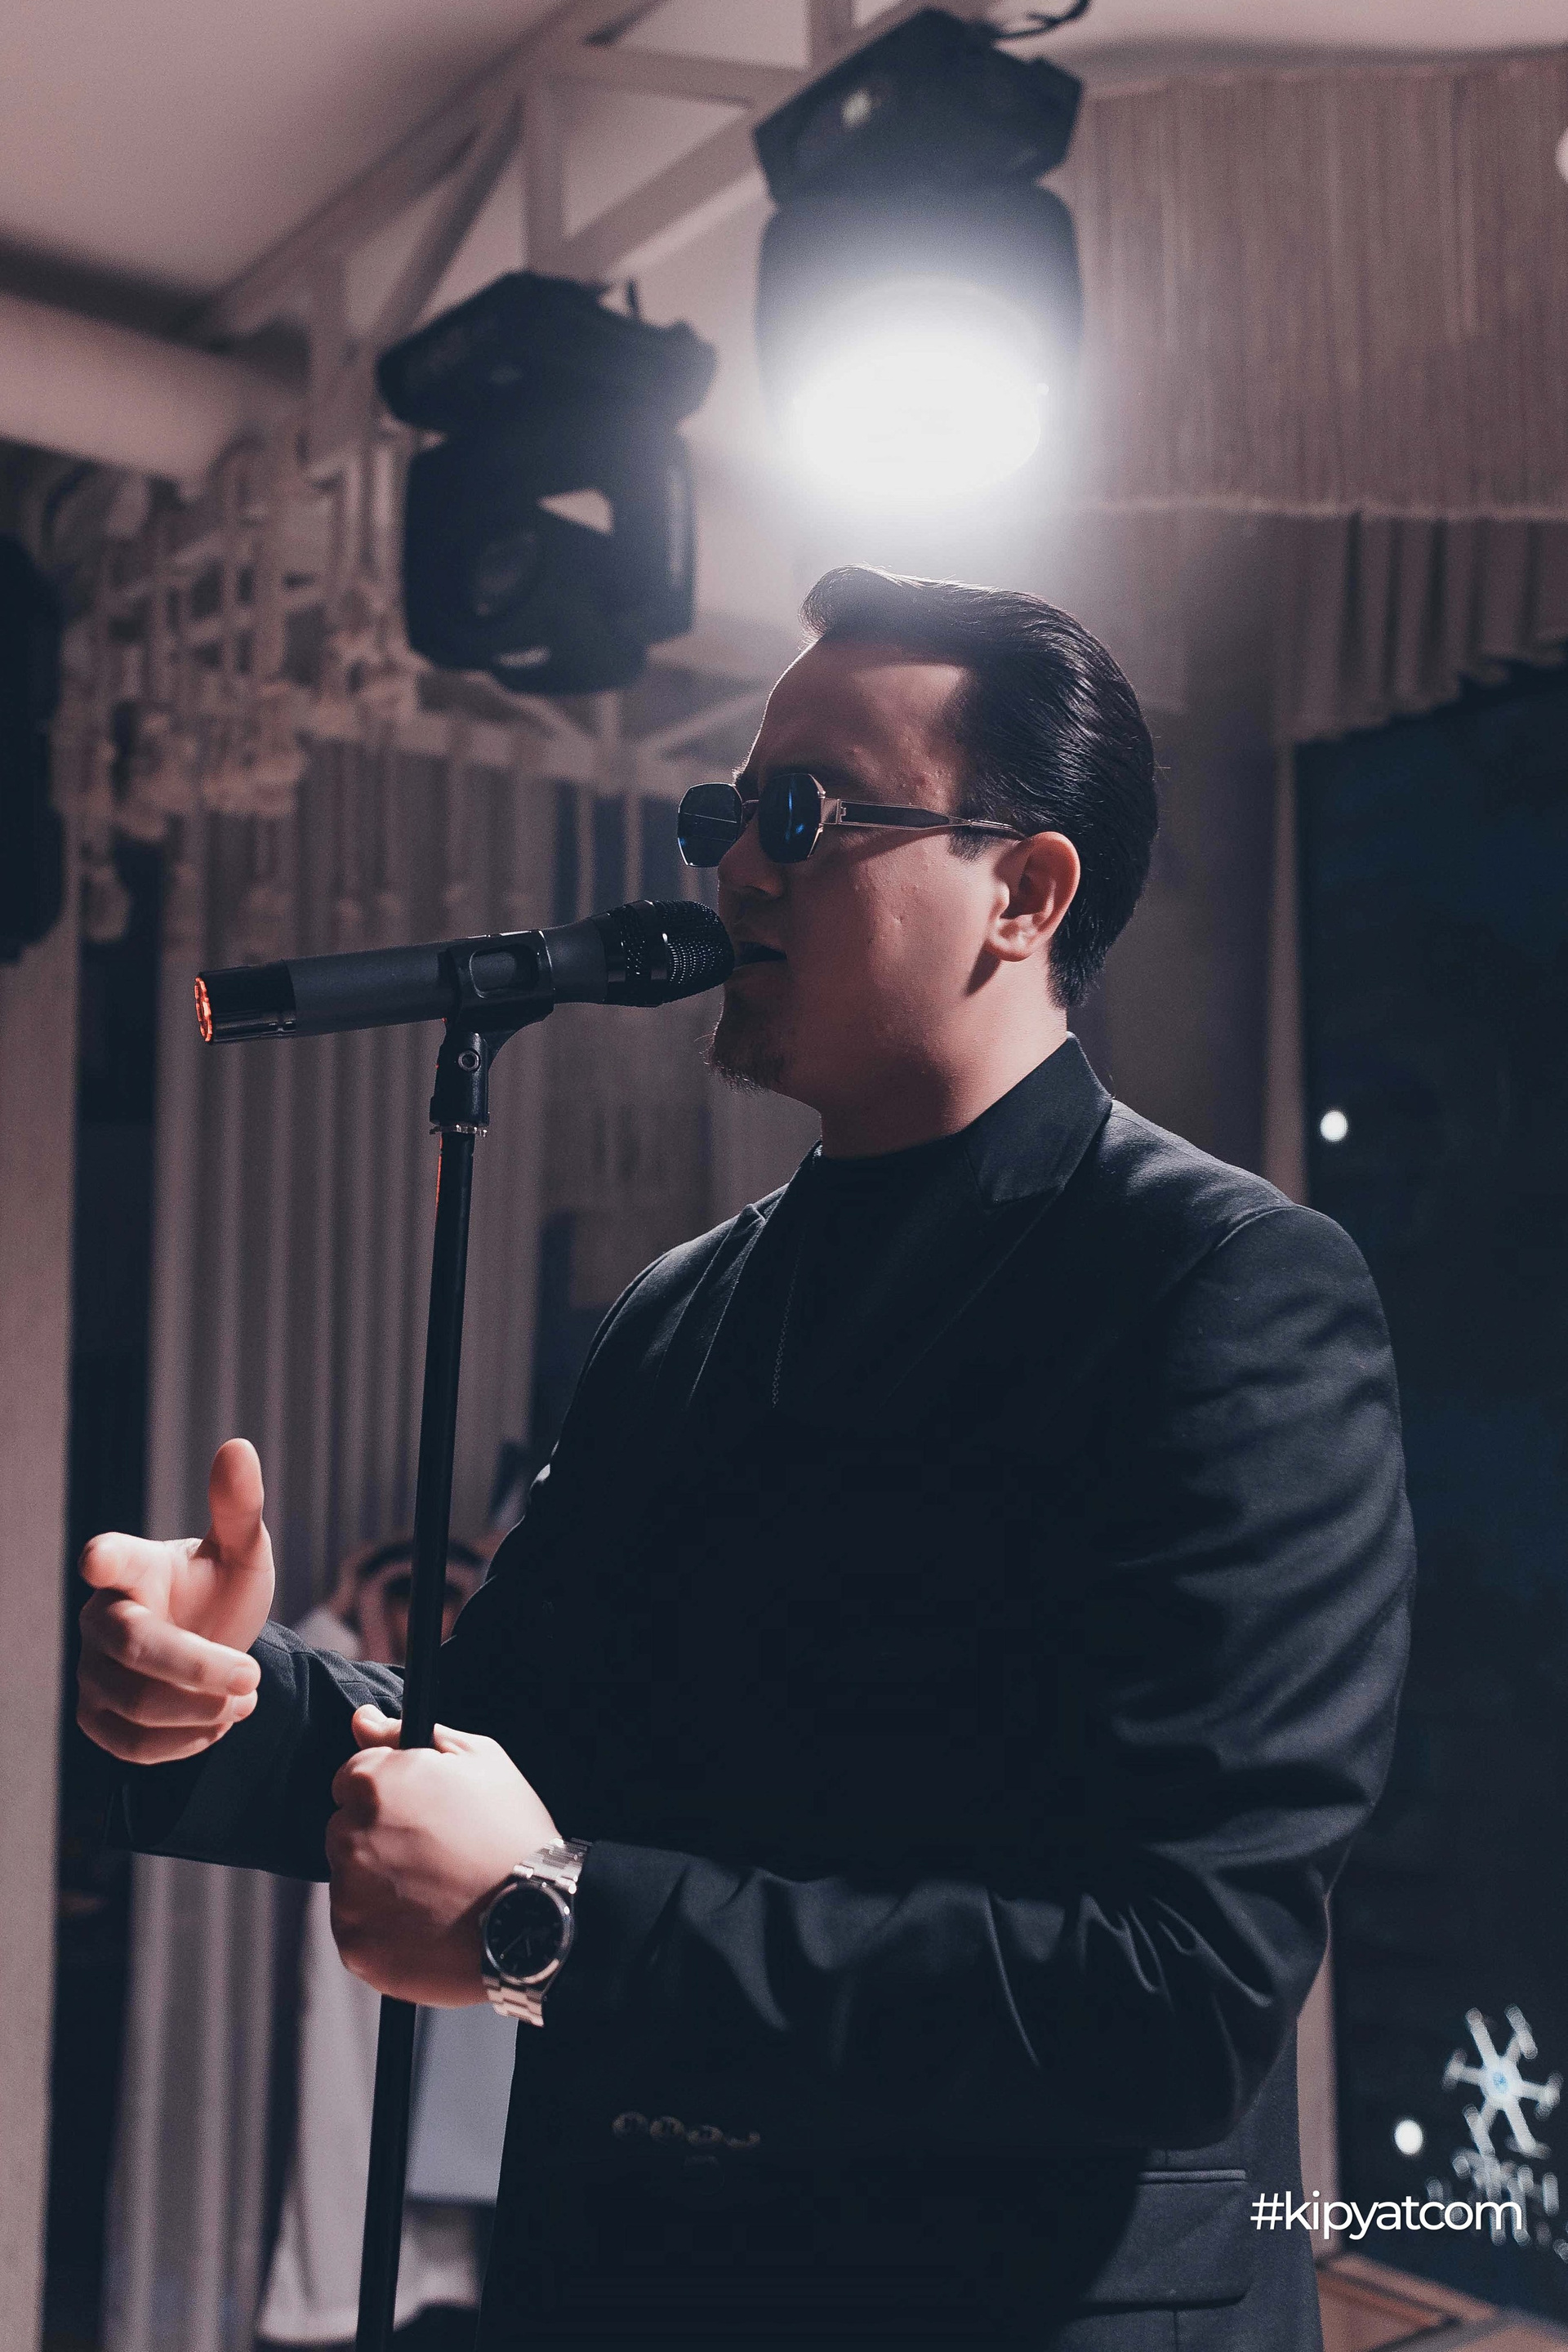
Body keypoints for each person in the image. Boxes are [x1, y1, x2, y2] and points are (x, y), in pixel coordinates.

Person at [78, 567, 1415, 2350]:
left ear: (1025, 894)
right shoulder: (683, 1306)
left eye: (806, 815)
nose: (737, 870)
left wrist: (553, 1923)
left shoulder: (1224, 1287)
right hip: (632, 2283)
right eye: (729, 815)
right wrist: (232, 1697)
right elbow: (518, 1731)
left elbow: (1179, 1991)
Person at [256, 1534, 508, 2351]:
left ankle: (440, 2281)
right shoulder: (355, 1692)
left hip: (451, 1939)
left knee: (443, 2122)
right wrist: (354, 1593)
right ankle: (346, 2296)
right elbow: (297, 1684)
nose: (419, 1620)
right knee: (349, 2111)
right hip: (358, 1952)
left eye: (439, 1604)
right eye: (406, 1603)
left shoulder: (483, 1708)